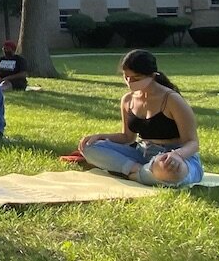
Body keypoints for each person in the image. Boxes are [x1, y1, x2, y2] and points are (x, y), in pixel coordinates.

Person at [78, 49, 203, 188]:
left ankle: (136, 174)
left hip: (173, 157)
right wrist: (99, 136)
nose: (130, 82)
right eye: (126, 77)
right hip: (141, 154)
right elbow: (127, 137)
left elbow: (193, 143)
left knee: (170, 171)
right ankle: (138, 171)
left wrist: (176, 155)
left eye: (136, 78)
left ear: (152, 75)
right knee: (89, 148)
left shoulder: (171, 99)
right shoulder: (128, 100)